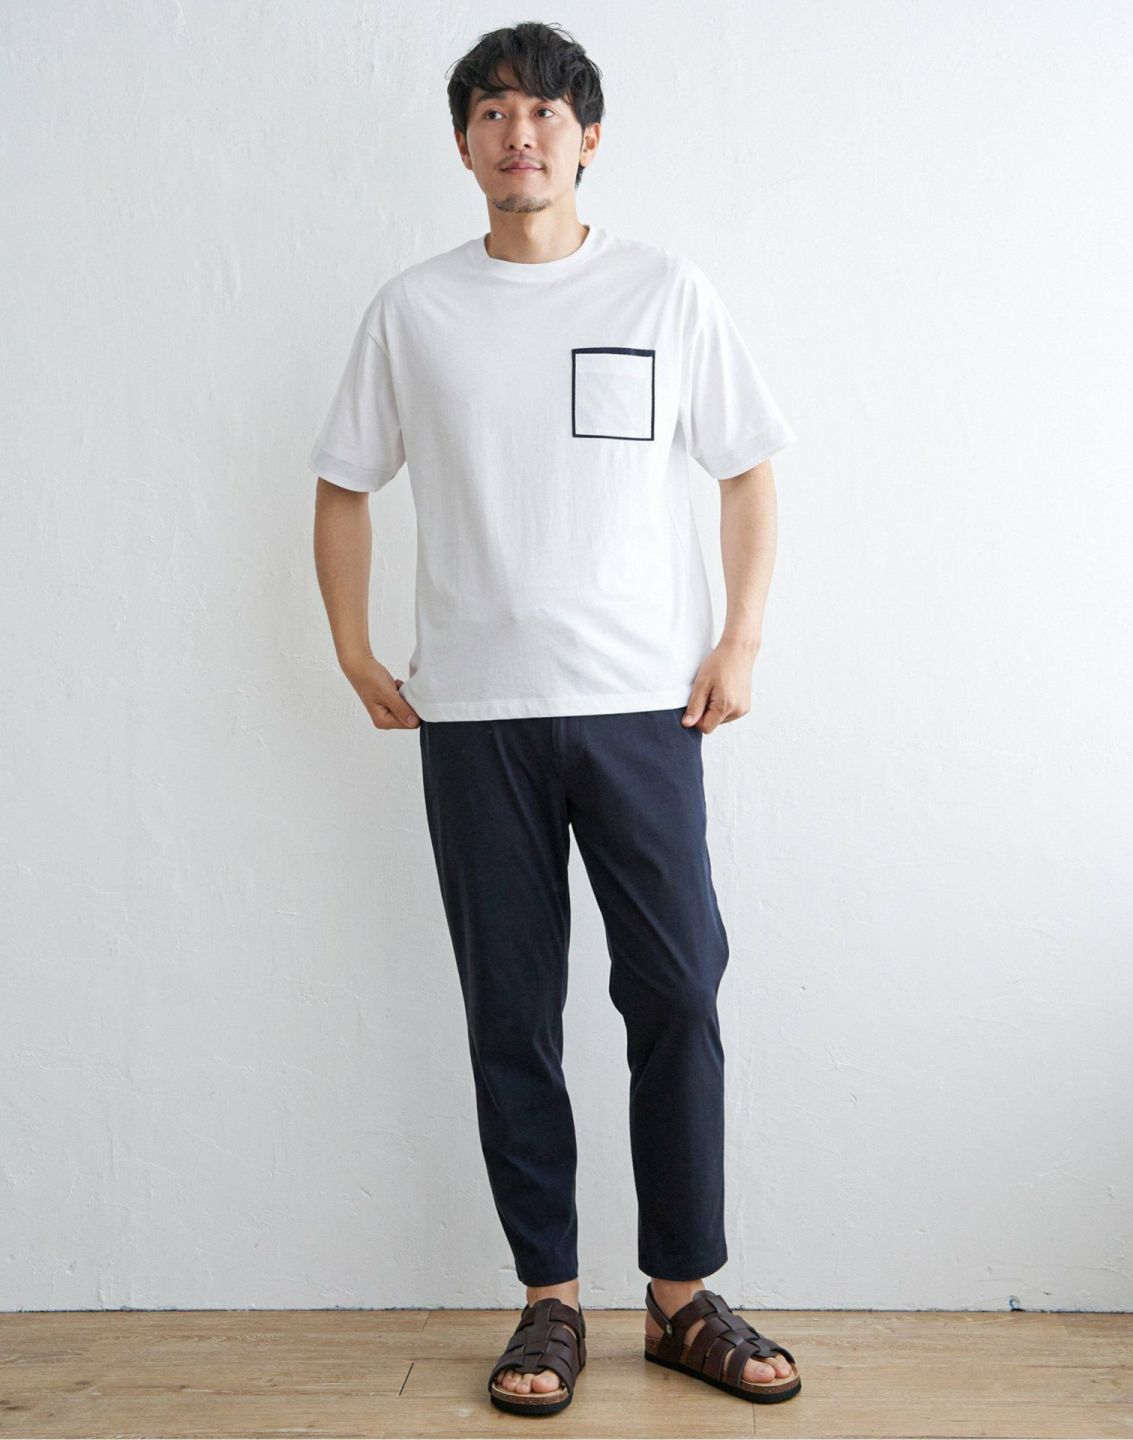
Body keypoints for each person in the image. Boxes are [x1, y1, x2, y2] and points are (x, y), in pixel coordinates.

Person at [308, 20, 802, 1416]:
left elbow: (749, 468)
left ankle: (683, 1296)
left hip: (647, 708)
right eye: (491, 112)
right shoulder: (415, 310)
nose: (518, 133)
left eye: (543, 111)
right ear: (465, 144)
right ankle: (549, 1302)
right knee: (511, 1012)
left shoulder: (663, 290)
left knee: (678, 990)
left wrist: (740, 638)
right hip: (478, 717)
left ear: (588, 138)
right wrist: (351, 648)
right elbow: (343, 485)